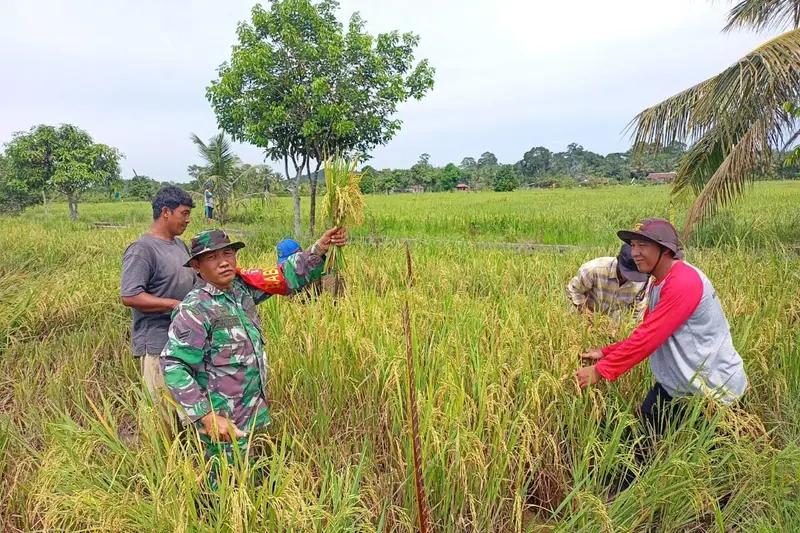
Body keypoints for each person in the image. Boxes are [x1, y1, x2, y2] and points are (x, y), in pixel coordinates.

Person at [160, 227, 347, 474]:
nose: (223, 262)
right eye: (212, 257)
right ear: (196, 266)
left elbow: (286, 276)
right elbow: (173, 364)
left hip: (252, 413)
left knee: (251, 478)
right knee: (224, 484)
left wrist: (320, 248)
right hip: (222, 422)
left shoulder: (242, 289)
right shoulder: (195, 309)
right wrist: (206, 416)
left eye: (228, 254)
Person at [574, 218, 748, 435]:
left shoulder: (683, 282)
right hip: (677, 386)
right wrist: (605, 352)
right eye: (633, 245)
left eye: (643, 245)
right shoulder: (658, 282)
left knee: (708, 454)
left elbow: (649, 338)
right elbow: (648, 330)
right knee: (636, 441)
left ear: (665, 250)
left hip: (714, 391)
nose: (635, 252)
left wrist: (600, 371)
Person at [120, 186, 196, 422]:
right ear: (165, 212)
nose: (188, 220)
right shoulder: (142, 250)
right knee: (163, 417)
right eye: (184, 213)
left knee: (188, 413)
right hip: (158, 346)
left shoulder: (180, 246)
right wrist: (174, 305)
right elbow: (130, 295)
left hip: (185, 343)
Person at [565, 243, 650, 320]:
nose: (632, 278)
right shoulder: (594, 269)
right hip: (585, 316)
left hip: (615, 322)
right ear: (619, 262)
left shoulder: (643, 281)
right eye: (629, 274)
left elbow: (637, 311)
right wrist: (587, 314)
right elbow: (573, 290)